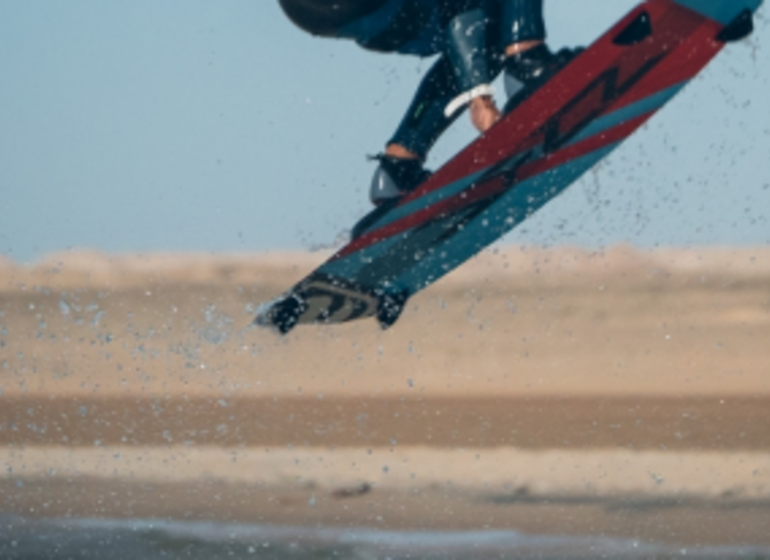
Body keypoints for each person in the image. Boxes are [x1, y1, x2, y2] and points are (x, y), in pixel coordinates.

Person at [278, 0, 581, 205]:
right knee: (484, 26)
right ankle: (526, 62)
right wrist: (479, 96)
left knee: (489, 33)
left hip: (336, 13)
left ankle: (399, 166)